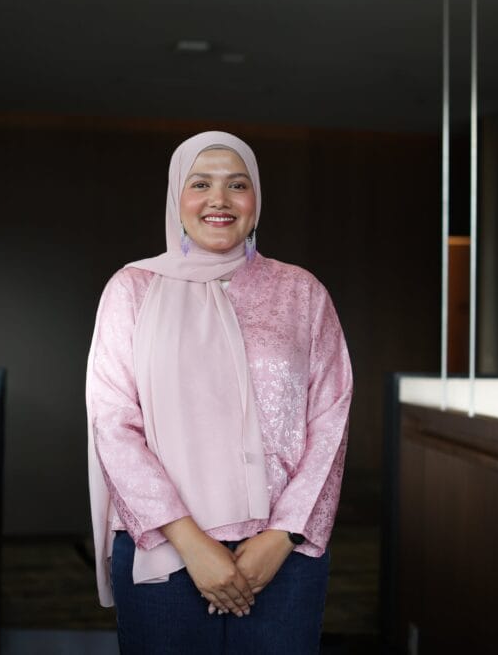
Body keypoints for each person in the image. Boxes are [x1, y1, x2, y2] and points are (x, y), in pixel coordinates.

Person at [86, 131, 353, 654]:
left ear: (256, 201)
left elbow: (331, 420)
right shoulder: (131, 289)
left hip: (281, 554)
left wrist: (280, 538)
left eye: (237, 185)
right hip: (164, 546)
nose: (219, 200)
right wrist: (192, 544)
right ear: (175, 197)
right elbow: (112, 423)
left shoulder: (302, 292)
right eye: (200, 183)